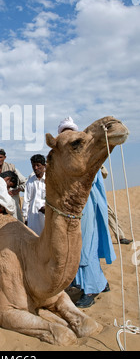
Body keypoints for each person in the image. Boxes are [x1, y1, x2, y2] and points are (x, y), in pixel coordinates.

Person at [58, 117, 116, 308]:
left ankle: (91, 289)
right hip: (71, 207)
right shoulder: (63, 158)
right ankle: (100, 281)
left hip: (86, 204)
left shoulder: (85, 155)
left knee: (85, 245)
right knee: (76, 244)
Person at [0, 148, 26, 222]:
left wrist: (17, 190)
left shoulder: (13, 169)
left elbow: (25, 183)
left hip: (12, 202)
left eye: (1, 157)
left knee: (16, 224)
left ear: (5, 157)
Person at [100, 166, 132, 245]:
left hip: (99, 195)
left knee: (110, 214)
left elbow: (105, 174)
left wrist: (100, 164)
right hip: (87, 196)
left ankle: (120, 237)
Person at [22, 154, 46, 235]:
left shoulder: (49, 180)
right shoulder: (30, 181)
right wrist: (25, 217)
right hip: (33, 216)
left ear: (44, 166)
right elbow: (26, 200)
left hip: (46, 215)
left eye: (38, 165)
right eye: (33, 166)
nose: (36, 168)